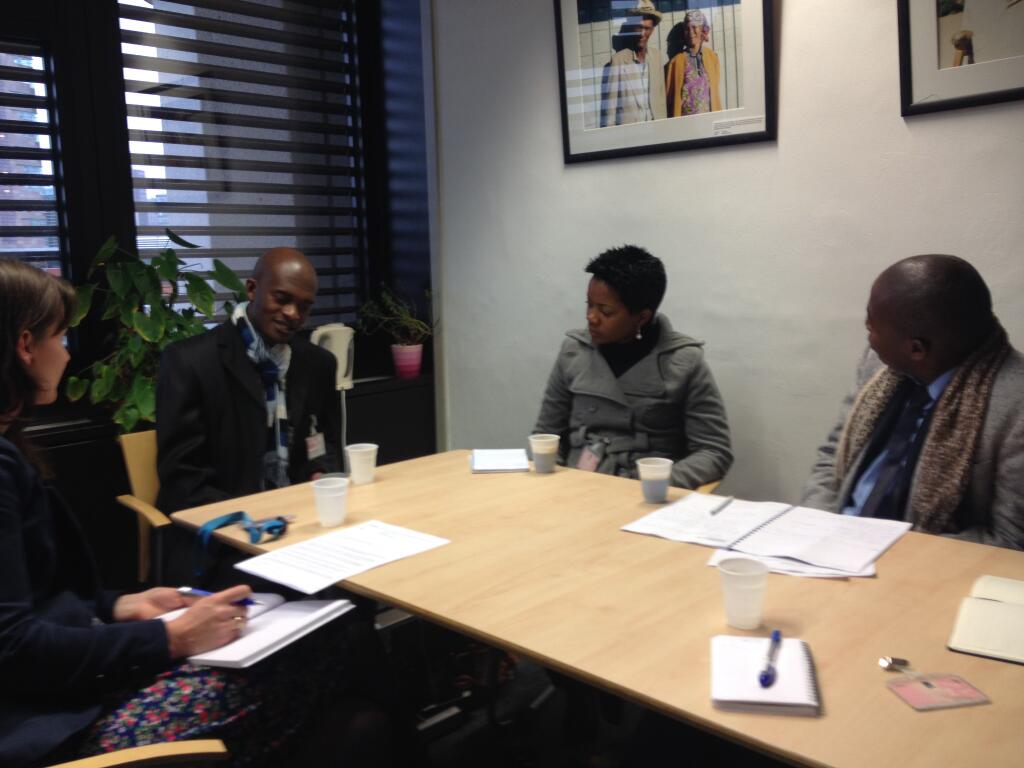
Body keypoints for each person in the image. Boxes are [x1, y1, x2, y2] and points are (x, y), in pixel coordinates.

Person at [0, 259, 395, 767]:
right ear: (25, 346)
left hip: (81, 669)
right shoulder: (191, 361)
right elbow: (13, 647)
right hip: (56, 724)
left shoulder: (12, 449)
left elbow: (41, 601)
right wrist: (171, 638)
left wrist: (120, 605)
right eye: (60, 336)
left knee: (355, 701)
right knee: (344, 642)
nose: (68, 351)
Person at [801, 254, 1024, 550]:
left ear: (916, 349)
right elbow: (833, 456)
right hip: (829, 546)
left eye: (872, 327)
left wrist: (884, 551)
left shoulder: (1015, 406)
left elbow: (1010, 541)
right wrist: (813, 528)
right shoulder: (880, 366)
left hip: (925, 563)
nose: (868, 336)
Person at [156, 247, 341, 513]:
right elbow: (182, 477)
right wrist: (250, 517)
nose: (293, 314)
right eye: (282, 299)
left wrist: (320, 472)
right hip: (219, 522)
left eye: (304, 306)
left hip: (300, 513)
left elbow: (326, 442)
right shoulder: (189, 362)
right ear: (252, 289)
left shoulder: (318, 364)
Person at [534, 245, 732, 489]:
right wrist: (549, 486)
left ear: (642, 317)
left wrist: (656, 484)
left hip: (644, 493)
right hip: (575, 485)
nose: (591, 317)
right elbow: (546, 434)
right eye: (589, 304)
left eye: (606, 311)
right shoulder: (574, 351)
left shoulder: (683, 362)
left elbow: (714, 451)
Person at [599, 0, 667, 126]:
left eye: (647, 28)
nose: (642, 34)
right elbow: (609, 111)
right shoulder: (618, 61)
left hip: (657, 130)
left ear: (652, 30)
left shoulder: (657, 57)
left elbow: (661, 100)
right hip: (630, 133)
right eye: (639, 27)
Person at [665, 10, 722, 116]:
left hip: (709, 120)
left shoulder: (713, 58)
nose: (691, 32)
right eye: (687, 29)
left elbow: (715, 88)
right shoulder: (675, 63)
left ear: (702, 29)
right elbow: (669, 99)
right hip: (685, 123)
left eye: (694, 27)